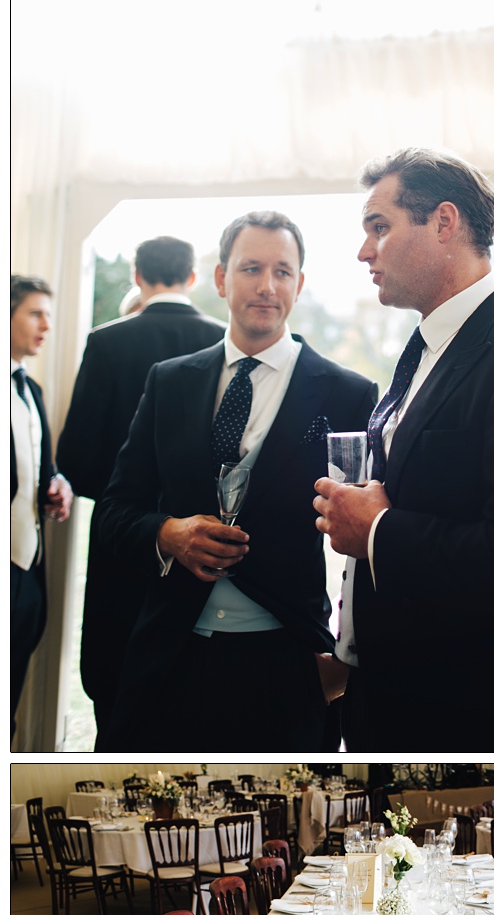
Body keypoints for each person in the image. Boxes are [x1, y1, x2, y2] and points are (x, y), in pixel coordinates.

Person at [312, 148, 494, 752]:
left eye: (380, 227)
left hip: (478, 723)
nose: (364, 252)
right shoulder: (421, 350)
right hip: (390, 705)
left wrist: (378, 530)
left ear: (444, 223)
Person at [95, 212, 377, 751]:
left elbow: (363, 550)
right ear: (222, 278)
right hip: (173, 654)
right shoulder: (170, 381)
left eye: (282, 271)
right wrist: (167, 533)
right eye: (251, 268)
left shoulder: (347, 394)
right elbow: (114, 511)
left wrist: (347, 659)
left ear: (300, 282)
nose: (267, 286)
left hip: (288, 661)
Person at [56, 236, 225, 731]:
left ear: (137, 276)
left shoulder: (107, 341)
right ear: (193, 278)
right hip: (202, 552)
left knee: (113, 689)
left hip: (122, 546)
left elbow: (75, 458)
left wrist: (126, 502)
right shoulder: (221, 343)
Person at [11, 276, 73, 728]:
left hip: (27, 572)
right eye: (36, 313)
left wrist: (58, 486)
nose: (46, 326)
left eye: (49, 315)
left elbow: (38, 468)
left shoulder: (31, 391)